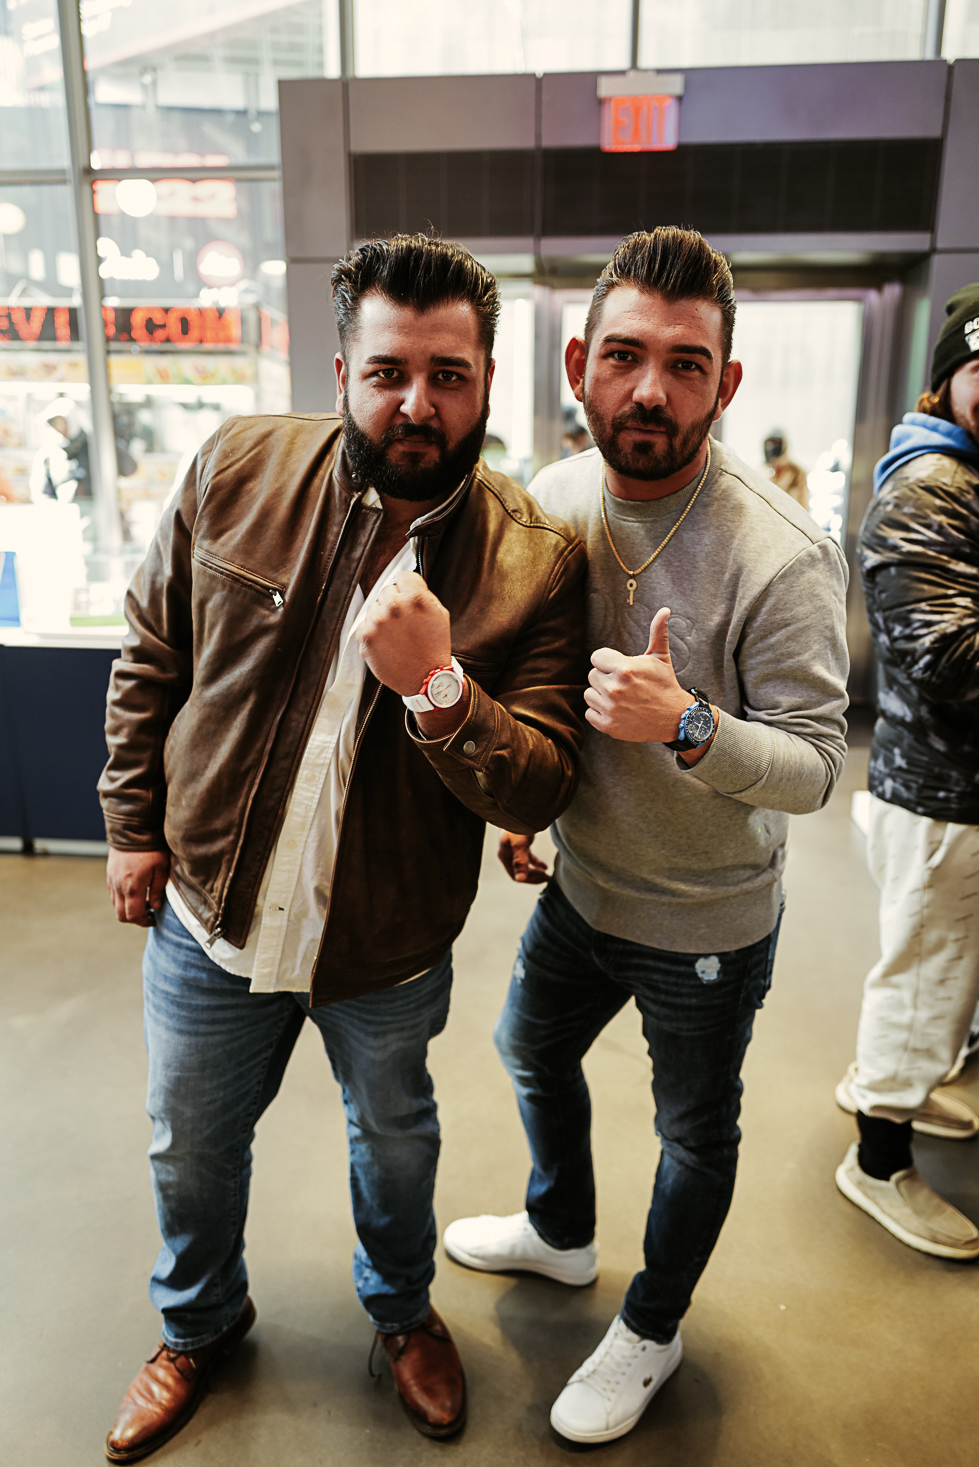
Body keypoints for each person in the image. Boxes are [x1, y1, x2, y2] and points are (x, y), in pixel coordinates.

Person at [98, 233, 587, 1462]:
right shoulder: (236, 467)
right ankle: (198, 1323)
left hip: (388, 940)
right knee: (189, 1144)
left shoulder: (533, 560)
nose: (415, 404)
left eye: (448, 375)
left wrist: (439, 692)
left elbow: (541, 772)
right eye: (387, 372)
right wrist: (129, 827)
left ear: (485, 379)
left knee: (397, 1143)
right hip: (213, 908)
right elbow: (152, 654)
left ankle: (401, 1311)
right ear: (340, 372)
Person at [444, 227, 849, 1446]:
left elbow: (819, 769)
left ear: (725, 384)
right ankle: (563, 1235)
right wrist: (537, 808)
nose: (650, 389)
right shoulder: (551, 503)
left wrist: (690, 728)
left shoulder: (780, 556)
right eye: (624, 356)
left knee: (691, 1132)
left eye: (685, 363)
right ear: (578, 364)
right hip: (582, 886)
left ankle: (653, 1325)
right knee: (526, 1050)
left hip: (707, 923)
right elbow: (531, 688)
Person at [834, 284, 979, 1259]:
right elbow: (944, 657)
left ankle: (912, 1088)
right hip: (939, 796)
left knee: (939, 979)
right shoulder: (929, 486)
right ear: (948, 379)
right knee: (921, 984)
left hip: (952, 793)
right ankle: (876, 1155)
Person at [763, 429, 808, 509]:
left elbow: (803, 505)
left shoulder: (797, 472)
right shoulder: (762, 471)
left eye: (776, 444)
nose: (772, 448)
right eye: (770, 444)